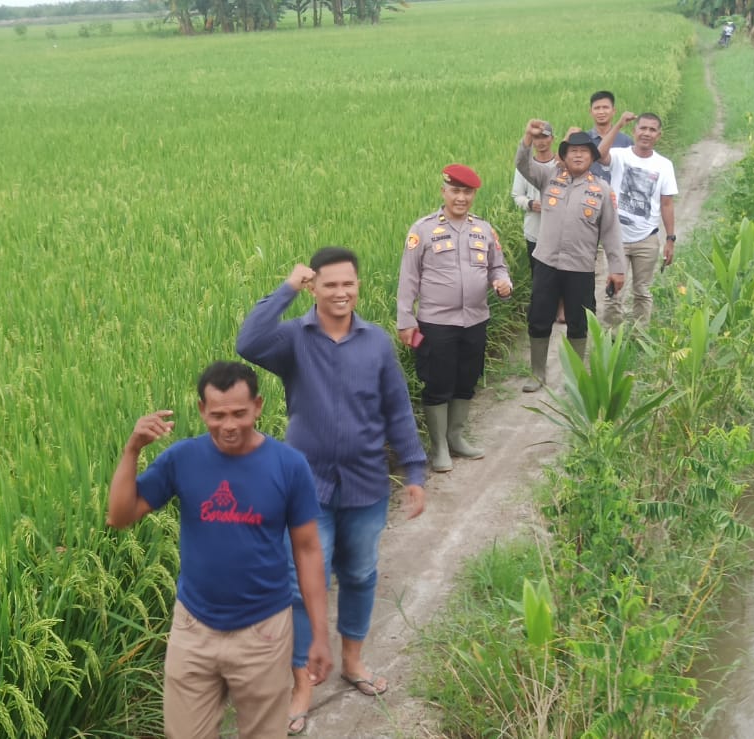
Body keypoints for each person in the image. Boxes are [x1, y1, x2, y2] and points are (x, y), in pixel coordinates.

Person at [235, 247, 427, 734]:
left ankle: (353, 662)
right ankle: (302, 684)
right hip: (306, 486)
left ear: (358, 286)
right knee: (300, 586)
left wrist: (416, 472)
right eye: (330, 285)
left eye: (349, 284)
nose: (341, 293)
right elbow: (247, 342)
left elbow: (398, 410)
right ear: (314, 287)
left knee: (361, 573)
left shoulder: (376, 343)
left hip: (365, 481)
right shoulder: (293, 340)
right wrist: (285, 288)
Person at [107, 361, 333, 739]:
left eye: (240, 414)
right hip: (194, 628)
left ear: (258, 406)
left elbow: (308, 551)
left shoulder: (288, 465)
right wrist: (132, 450)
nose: (229, 425)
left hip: (263, 631)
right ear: (201, 411)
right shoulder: (182, 459)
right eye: (218, 415)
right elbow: (120, 516)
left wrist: (319, 635)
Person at [397, 164, 514, 471]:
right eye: (456, 191)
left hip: (475, 320)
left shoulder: (484, 229)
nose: (461, 198)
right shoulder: (422, 230)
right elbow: (408, 278)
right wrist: (405, 320)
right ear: (444, 192)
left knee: (466, 380)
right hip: (436, 323)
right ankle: (438, 448)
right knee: (437, 383)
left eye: (468, 192)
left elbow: (497, 267)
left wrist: (503, 283)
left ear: (474, 194)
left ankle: (456, 437)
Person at [514, 121, 625, 392]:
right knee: (539, 317)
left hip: (580, 267)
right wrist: (527, 136)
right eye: (572, 151)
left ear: (592, 157)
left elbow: (611, 232)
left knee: (579, 320)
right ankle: (538, 374)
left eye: (584, 152)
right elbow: (522, 164)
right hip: (546, 263)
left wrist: (618, 268)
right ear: (563, 155)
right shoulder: (549, 177)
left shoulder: (600, 189)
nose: (578, 155)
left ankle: (575, 377)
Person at [597, 111, 678, 328]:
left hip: (647, 239)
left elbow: (667, 204)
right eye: (642, 128)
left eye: (652, 130)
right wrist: (618, 124)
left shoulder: (664, 165)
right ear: (634, 131)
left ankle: (638, 337)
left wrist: (670, 239)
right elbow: (598, 154)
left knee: (643, 291)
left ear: (658, 135)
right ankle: (611, 337)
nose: (646, 133)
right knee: (614, 289)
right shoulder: (620, 155)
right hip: (616, 238)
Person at [587, 91, 634, 317]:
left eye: (606, 107)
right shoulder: (584, 140)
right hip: (589, 205)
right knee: (586, 258)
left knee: (614, 253)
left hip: (617, 209)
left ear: (613, 111)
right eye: (597, 108)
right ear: (591, 112)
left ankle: (613, 308)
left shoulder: (625, 142)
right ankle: (584, 306)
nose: (601, 111)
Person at [511, 124, 562, 321]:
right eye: (536, 138)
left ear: (552, 138)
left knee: (559, 271)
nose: (540, 141)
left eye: (544, 137)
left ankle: (560, 306)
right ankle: (542, 311)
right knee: (538, 274)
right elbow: (517, 195)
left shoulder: (560, 165)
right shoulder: (525, 167)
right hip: (534, 229)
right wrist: (531, 204)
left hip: (558, 231)